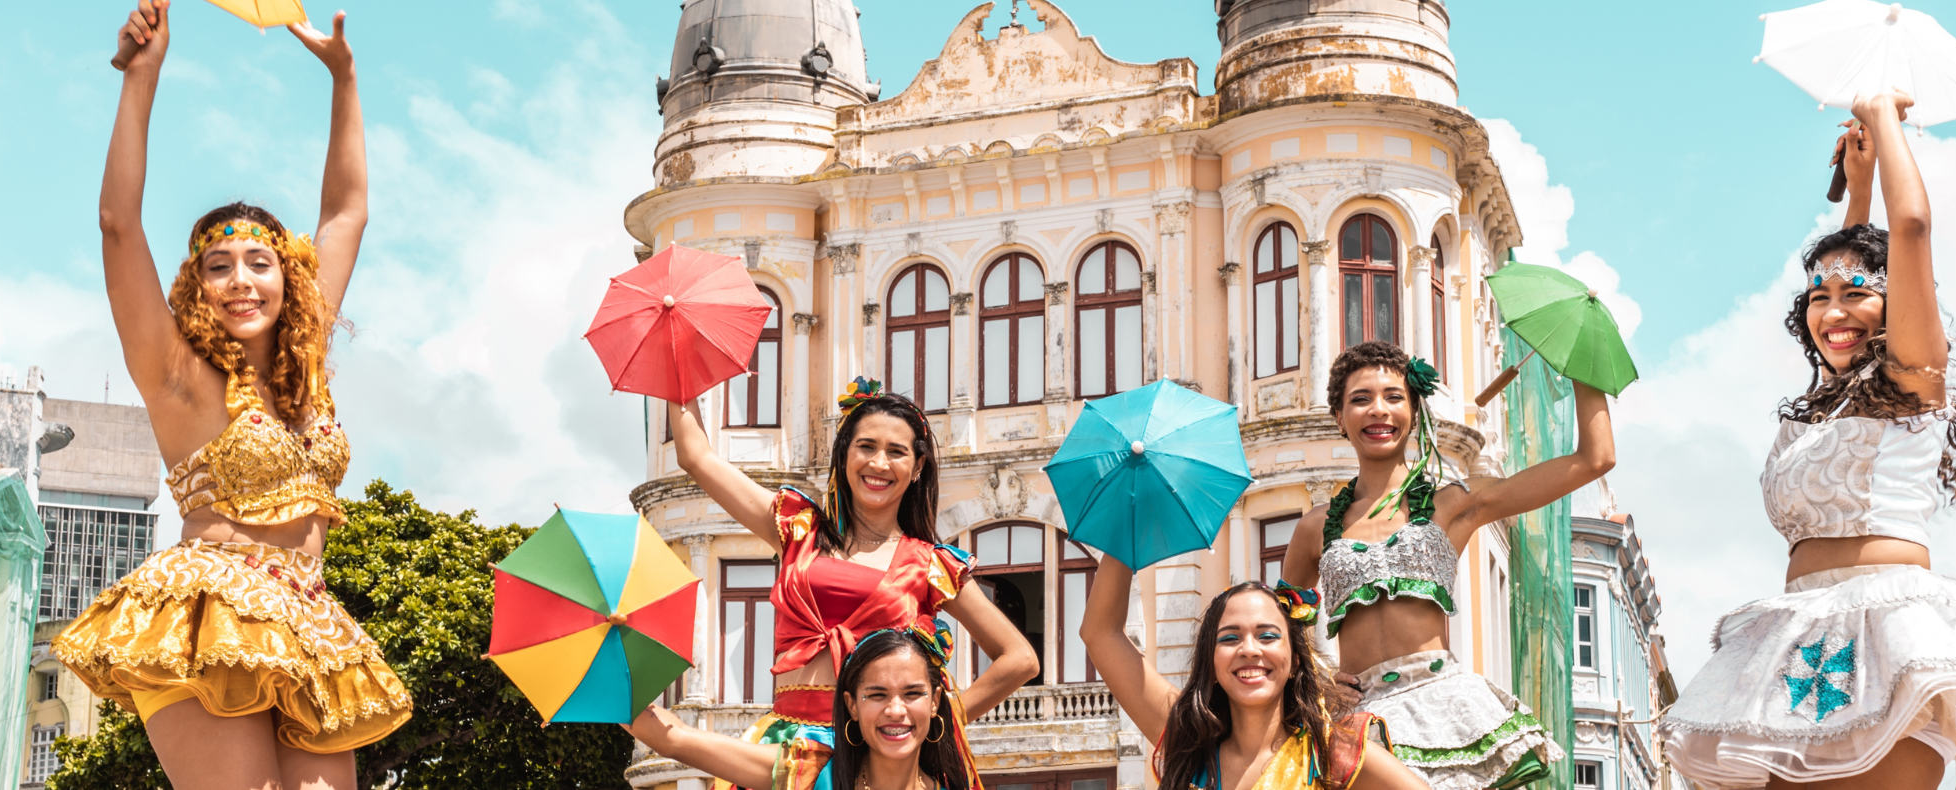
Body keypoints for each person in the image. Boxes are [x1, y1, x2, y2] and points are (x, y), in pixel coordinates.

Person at [1660, 92, 1956, 789]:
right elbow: (1860, 259)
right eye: (1818, 296)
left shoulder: (1912, 377)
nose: (1833, 312)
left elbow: (1910, 229)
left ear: (1894, 299)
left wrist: (1884, 119)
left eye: (1856, 294)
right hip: (1802, 642)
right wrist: (1859, 186)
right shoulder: (1821, 405)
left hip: (1888, 631)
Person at [53, 3, 408, 788]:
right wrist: (141, 79)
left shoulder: (306, 365)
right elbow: (118, 225)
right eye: (219, 267)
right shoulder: (180, 378)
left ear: (289, 279)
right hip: (210, 605)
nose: (241, 281)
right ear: (198, 288)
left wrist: (344, 78)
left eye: (259, 263)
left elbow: (348, 213)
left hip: (310, 618)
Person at [664, 378, 1037, 782]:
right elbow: (696, 457)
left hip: (875, 757)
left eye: (896, 452)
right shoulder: (798, 532)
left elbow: (1020, 658)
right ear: (844, 456)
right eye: (866, 446)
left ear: (917, 468)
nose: (879, 463)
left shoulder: (927, 564)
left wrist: (931, 717)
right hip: (786, 747)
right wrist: (674, 363)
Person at [1278, 340, 1611, 790]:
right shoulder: (1314, 528)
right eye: (1360, 399)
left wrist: (1583, 362)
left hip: (1446, 708)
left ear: (1414, 412)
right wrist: (1318, 682)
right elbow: (1278, 626)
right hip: (1359, 720)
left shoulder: (1454, 504)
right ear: (1339, 416)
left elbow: (1594, 459)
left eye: (1394, 397)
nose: (1379, 410)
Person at [1083, 558, 1426, 790]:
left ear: (1294, 661)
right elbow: (1100, 634)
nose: (1249, 649)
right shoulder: (1188, 746)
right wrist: (1126, 505)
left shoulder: (1333, 751)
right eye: (1230, 638)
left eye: (1268, 636)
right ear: (1212, 664)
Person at [628, 627, 985, 790]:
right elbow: (673, 738)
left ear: (936, 702)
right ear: (852, 706)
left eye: (912, 694)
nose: (896, 710)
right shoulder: (807, 772)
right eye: (876, 695)